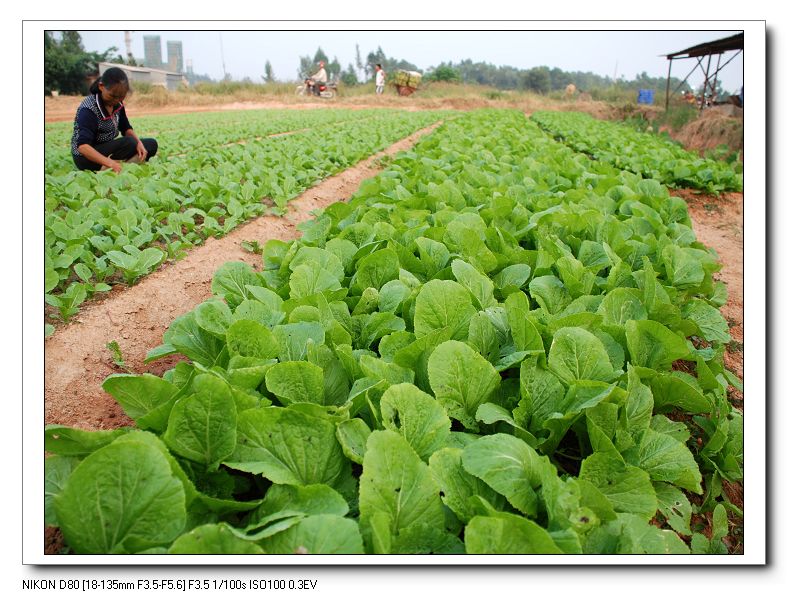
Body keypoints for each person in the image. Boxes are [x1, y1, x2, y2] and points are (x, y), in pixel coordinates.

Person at [70, 67, 158, 173]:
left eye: (121, 97)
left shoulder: (117, 103)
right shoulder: (89, 109)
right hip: (86, 157)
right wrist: (110, 162)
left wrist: (139, 143)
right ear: (101, 87)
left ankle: (116, 169)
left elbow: (125, 128)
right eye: (112, 96)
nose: (116, 100)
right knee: (130, 142)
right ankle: (113, 167)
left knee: (150, 145)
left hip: (107, 150)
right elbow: (83, 147)